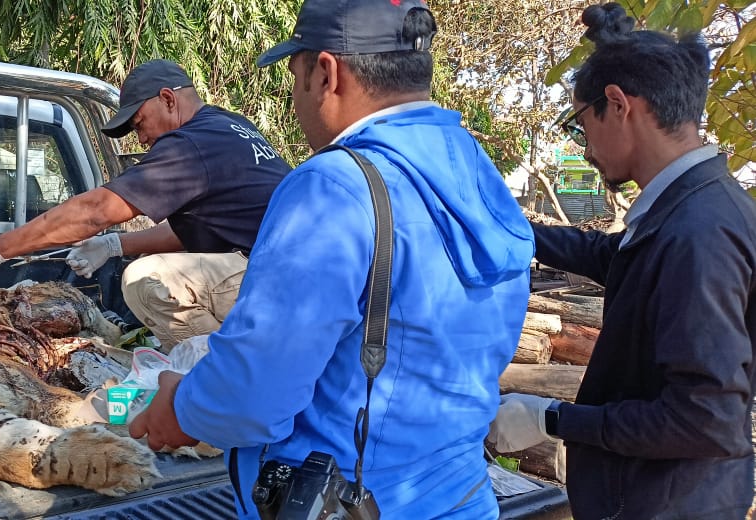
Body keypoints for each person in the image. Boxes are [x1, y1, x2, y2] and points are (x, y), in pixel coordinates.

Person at [127, 0, 535, 517]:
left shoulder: (333, 187)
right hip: (460, 499)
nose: (296, 98)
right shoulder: (478, 173)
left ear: (326, 73)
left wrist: (181, 407)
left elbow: (253, 392)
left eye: (296, 76)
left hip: (347, 501)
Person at [487, 4, 756, 518]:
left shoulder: (699, 235)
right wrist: (511, 230)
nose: (584, 145)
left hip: (670, 502)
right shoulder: (690, 207)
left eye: (581, 123)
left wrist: (554, 419)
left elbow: (706, 420)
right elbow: (619, 257)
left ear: (617, 104)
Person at [0, 59, 291, 350]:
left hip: (271, 278)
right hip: (291, 271)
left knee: (145, 280)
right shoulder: (229, 126)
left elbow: (96, 212)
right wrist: (113, 244)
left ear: (167, 99)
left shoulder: (190, 144)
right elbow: (199, 228)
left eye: (139, 124)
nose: (142, 139)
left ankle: (217, 383)